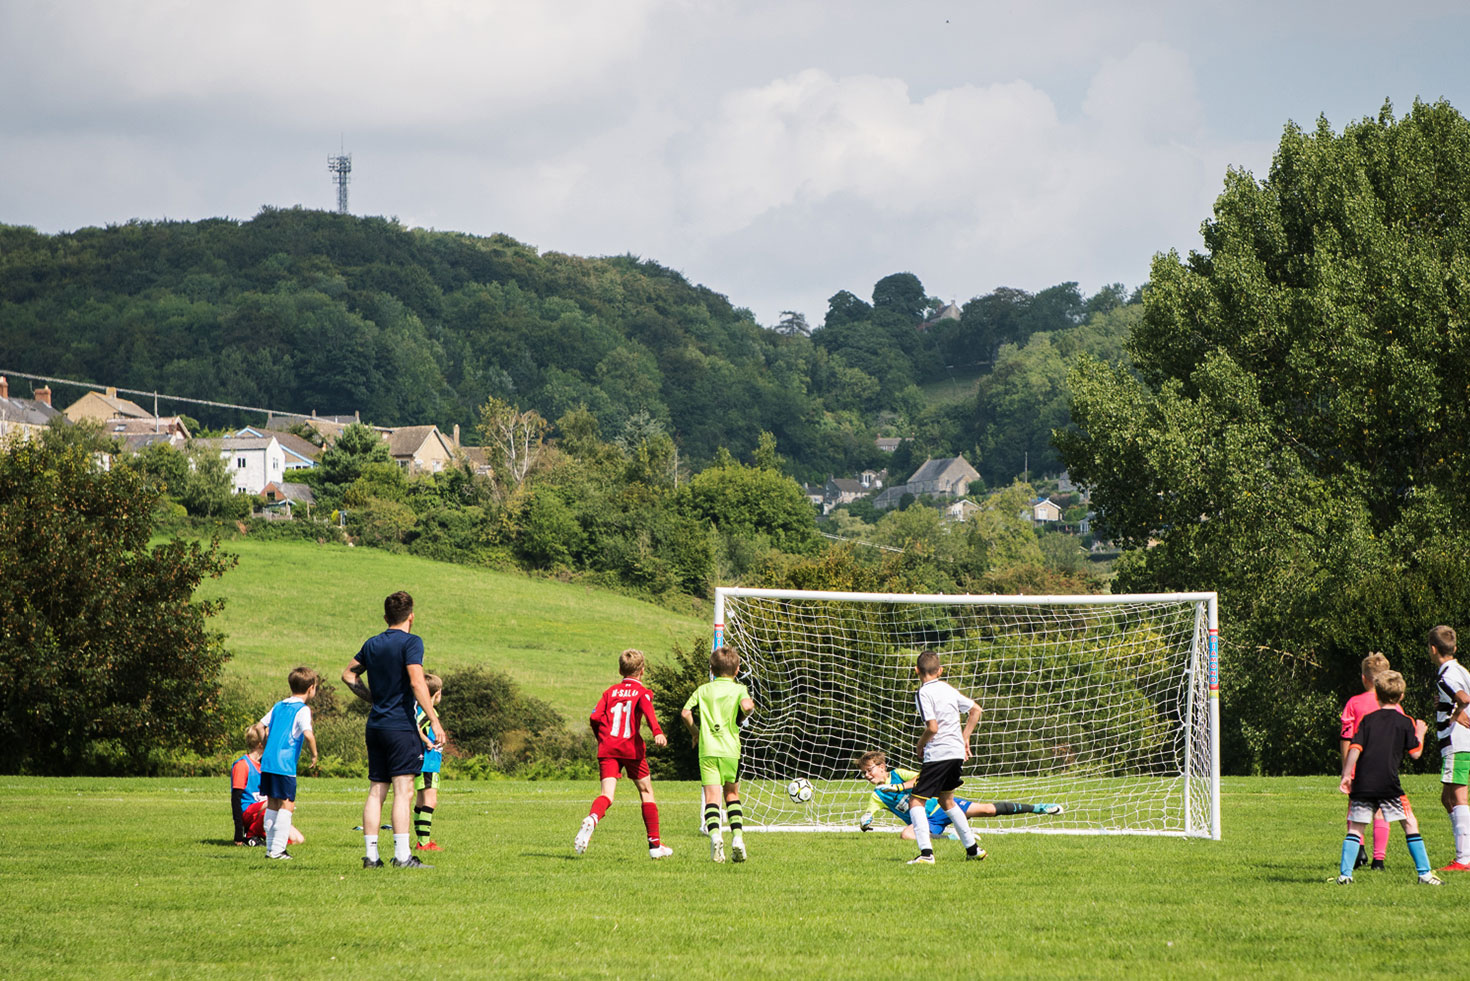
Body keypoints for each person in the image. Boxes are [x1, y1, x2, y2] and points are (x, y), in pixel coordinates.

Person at [342, 590, 446, 870]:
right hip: (400, 726)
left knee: (376, 789)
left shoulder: (372, 643)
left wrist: (372, 698)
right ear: (411, 616)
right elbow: (416, 681)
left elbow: (348, 674)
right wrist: (434, 719)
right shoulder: (412, 642)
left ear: (385, 617)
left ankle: (371, 857)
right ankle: (402, 856)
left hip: (375, 725)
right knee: (403, 789)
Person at [1336, 670, 1440, 884]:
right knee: (1410, 823)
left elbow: (1355, 748)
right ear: (1401, 696)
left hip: (1363, 783)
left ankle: (1345, 875)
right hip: (1389, 784)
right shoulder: (1405, 722)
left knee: (1356, 828)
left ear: (1377, 695)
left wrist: (1346, 774)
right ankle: (1424, 874)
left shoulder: (1367, 720)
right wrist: (1420, 733)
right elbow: (1415, 753)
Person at [574, 649, 673, 859]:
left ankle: (592, 818)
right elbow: (649, 713)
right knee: (646, 792)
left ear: (620, 670)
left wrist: (601, 738)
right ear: (642, 671)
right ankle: (655, 846)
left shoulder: (609, 692)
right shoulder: (642, 693)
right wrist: (657, 732)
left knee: (607, 795)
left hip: (608, 747)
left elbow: (594, 718)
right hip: (631, 748)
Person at [853, 750, 1062, 840]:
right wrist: (865, 820)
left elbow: (923, 778)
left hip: (943, 806)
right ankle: (952, 837)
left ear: (882, 767)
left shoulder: (899, 774)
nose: (867, 775)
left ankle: (1038, 808)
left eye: (870, 770)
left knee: (988, 810)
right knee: (907, 835)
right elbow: (869, 813)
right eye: (864, 773)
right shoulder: (877, 795)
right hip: (927, 822)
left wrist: (898, 788)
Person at [906, 650, 984, 864]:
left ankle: (926, 854)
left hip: (938, 753)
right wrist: (965, 738)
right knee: (946, 800)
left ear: (916, 670)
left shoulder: (923, 692)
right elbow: (976, 710)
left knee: (916, 800)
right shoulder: (948, 689)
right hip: (956, 752)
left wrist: (920, 744)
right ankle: (973, 849)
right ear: (940, 670)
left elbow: (932, 727)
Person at [681, 645, 754, 863]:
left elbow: (685, 713)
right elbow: (747, 705)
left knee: (712, 798)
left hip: (708, 750)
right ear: (737, 670)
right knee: (731, 794)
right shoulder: (739, 689)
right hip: (731, 750)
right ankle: (737, 838)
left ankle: (715, 836)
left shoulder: (704, 690)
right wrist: (745, 713)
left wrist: (695, 732)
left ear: (711, 670)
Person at [1339, 652, 1400, 869]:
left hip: (1360, 766)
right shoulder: (1395, 706)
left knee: (1356, 807)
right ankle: (1379, 860)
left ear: (1364, 678)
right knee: (1382, 810)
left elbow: (1346, 737)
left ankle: (1359, 851)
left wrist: (1346, 768)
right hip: (1385, 768)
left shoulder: (1354, 703)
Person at [257, 667, 320, 861]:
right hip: (284, 765)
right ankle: (278, 850)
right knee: (287, 805)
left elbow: (259, 726)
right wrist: (314, 754)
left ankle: (270, 849)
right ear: (310, 688)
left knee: (272, 804)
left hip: (268, 762)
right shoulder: (302, 709)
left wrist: (266, 745)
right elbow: (308, 734)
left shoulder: (279, 705)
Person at [1429, 624, 1470, 871]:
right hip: (1458, 742)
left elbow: (1463, 698)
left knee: (1458, 797)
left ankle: (1464, 859)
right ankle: (1462, 854)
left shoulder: (1446, 676)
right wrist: (1445, 706)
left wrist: (1455, 715)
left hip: (1457, 741)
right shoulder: (1460, 670)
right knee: (1447, 798)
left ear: (1433, 649)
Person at [414, 673, 445, 852]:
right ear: (437, 693)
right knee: (430, 802)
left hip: (423, 763)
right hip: (428, 764)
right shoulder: (427, 712)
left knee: (420, 802)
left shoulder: (420, 710)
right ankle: (424, 843)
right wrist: (426, 740)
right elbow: (414, 726)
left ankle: (421, 841)